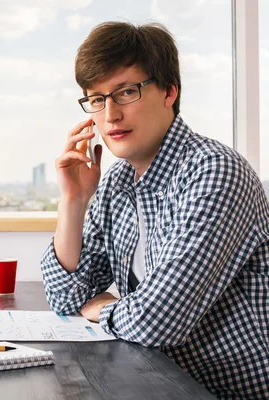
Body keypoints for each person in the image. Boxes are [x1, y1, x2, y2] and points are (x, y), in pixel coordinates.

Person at [41, 21, 269, 399]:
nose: (110, 115)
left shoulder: (214, 170)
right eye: (97, 99)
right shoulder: (116, 182)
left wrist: (106, 309)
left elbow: (158, 322)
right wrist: (73, 201)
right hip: (153, 381)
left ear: (169, 92)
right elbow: (66, 299)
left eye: (126, 92)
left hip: (225, 392)